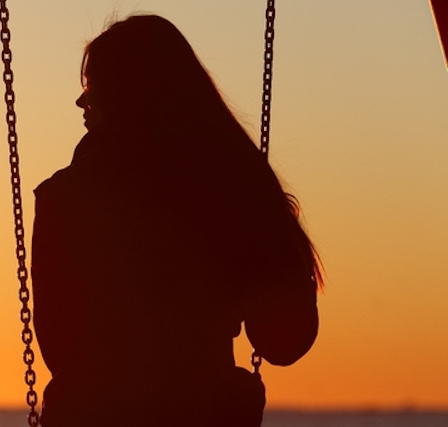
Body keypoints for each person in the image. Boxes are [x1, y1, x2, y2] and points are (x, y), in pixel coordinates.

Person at [31, 15, 320, 427]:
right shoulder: (233, 190)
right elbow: (284, 341)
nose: (82, 101)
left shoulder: (65, 199)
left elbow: (61, 346)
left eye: (92, 86)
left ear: (126, 95)